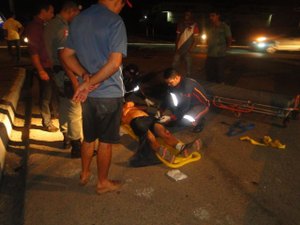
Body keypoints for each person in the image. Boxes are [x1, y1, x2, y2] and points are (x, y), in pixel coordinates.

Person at [61, 0, 131, 194]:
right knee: (106, 142)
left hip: (89, 96)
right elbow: (114, 63)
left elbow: (66, 55)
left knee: (88, 137)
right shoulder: (115, 22)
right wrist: (89, 82)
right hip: (108, 94)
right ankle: (102, 182)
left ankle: (84, 174)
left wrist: (84, 76)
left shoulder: (78, 20)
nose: (121, 8)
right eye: (122, 4)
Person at [44, 0, 82, 157]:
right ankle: (77, 146)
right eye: (77, 14)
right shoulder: (63, 28)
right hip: (66, 75)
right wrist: (74, 80)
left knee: (65, 106)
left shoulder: (51, 25)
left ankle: (66, 137)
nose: (77, 17)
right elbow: (63, 55)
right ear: (71, 11)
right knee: (75, 109)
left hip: (57, 74)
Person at [122, 101, 200, 167]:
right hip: (136, 121)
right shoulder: (117, 110)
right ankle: (160, 150)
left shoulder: (129, 103)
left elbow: (147, 107)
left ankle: (182, 148)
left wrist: (133, 107)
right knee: (149, 137)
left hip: (149, 119)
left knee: (164, 133)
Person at [25, 1, 58, 132]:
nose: (53, 14)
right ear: (43, 12)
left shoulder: (45, 25)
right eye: (51, 11)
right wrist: (40, 70)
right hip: (43, 67)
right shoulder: (34, 27)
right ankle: (46, 122)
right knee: (46, 95)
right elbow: (33, 51)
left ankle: (52, 115)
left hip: (49, 66)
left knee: (52, 93)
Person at [159, 68, 210, 133]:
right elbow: (167, 98)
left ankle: (200, 121)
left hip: (201, 105)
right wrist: (160, 110)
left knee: (185, 120)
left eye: (170, 83)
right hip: (188, 103)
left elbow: (185, 106)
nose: (169, 85)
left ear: (177, 78)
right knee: (175, 112)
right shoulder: (172, 85)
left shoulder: (187, 86)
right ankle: (178, 118)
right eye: (167, 83)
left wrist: (171, 117)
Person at [205, 9, 232, 83]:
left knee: (220, 72)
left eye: (213, 16)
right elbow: (208, 38)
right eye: (210, 16)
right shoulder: (210, 27)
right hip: (210, 53)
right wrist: (207, 45)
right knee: (210, 71)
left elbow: (229, 38)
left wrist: (226, 49)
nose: (211, 17)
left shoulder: (224, 26)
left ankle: (220, 87)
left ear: (218, 16)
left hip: (220, 54)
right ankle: (211, 86)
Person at [172, 10, 200, 77]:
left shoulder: (194, 26)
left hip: (188, 49)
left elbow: (196, 39)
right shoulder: (180, 24)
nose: (186, 16)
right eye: (186, 14)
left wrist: (191, 49)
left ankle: (188, 76)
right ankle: (174, 75)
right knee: (175, 63)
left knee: (188, 63)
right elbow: (177, 36)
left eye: (188, 15)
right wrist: (176, 46)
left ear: (191, 16)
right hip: (179, 47)